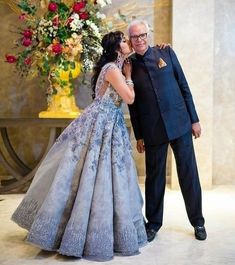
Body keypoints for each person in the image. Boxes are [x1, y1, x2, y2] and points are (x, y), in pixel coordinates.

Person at [11, 31, 147, 261]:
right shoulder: (114, 70)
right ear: (115, 48)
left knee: (105, 174)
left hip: (107, 123)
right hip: (101, 123)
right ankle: (79, 233)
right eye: (124, 41)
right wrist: (129, 75)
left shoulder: (114, 67)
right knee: (93, 174)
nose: (127, 43)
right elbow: (130, 98)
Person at [127, 19, 207, 242]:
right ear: (130, 41)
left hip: (180, 124)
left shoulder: (167, 53)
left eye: (143, 35)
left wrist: (194, 120)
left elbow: (184, 87)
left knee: (189, 174)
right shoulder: (129, 66)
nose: (140, 39)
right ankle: (153, 224)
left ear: (148, 35)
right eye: (135, 37)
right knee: (154, 178)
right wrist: (139, 135)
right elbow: (132, 106)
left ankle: (198, 222)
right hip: (152, 130)